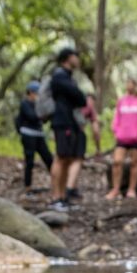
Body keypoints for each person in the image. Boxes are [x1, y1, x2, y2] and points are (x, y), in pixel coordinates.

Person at [49, 47, 88, 212]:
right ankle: (55, 198)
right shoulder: (59, 76)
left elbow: (81, 99)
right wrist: (78, 95)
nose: (78, 59)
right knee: (61, 158)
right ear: (67, 58)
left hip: (70, 122)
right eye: (75, 56)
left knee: (67, 159)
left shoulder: (68, 77)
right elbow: (79, 97)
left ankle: (63, 197)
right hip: (62, 122)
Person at [107, 78, 137, 200]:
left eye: (130, 83)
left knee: (134, 163)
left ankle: (132, 189)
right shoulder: (122, 100)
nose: (127, 85)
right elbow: (117, 116)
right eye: (126, 83)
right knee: (117, 161)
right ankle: (115, 189)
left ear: (135, 85)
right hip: (122, 137)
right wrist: (115, 129)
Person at [15, 80, 53, 193]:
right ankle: (28, 187)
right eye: (36, 93)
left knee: (49, 159)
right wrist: (43, 114)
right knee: (30, 161)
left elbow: (43, 119)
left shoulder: (38, 104)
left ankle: (57, 183)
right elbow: (32, 116)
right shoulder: (25, 104)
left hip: (39, 134)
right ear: (30, 92)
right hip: (28, 135)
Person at [66, 93, 101, 203]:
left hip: (65, 132)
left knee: (68, 160)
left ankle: (73, 187)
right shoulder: (89, 107)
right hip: (78, 133)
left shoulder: (71, 103)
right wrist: (98, 148)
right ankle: (69, 188)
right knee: (77, 160)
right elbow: (96, 130)